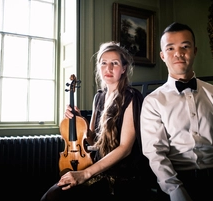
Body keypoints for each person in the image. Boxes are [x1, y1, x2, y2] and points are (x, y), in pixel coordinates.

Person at [140, 22, 213, 201]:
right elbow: (155, 154)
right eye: (170, 48)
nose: (178, 53)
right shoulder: (153, 101)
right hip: (177, 181)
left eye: (185, 46)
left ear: (195, 51)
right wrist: (175, 191)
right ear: (162, 55)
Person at [40, 41, 152, 201]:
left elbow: (125, 148)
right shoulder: (99, 97)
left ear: (124, 68)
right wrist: (79, 119)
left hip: (122, 173)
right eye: (104, 63)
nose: (109, 68)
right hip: (98, 167)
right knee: (51, 195)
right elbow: (92, 139)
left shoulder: (132, 97)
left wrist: (85, 174)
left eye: (115, 63)